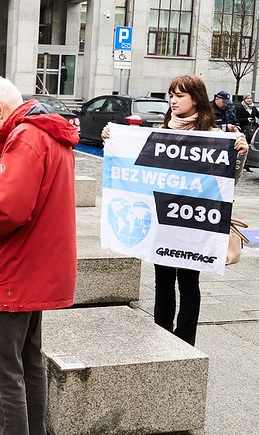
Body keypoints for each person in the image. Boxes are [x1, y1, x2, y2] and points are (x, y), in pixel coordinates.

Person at [0, 73, 78, 435]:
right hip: (34, 267)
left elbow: (8, 210)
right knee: (29, 362)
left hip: (13, 272)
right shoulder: (48, 133)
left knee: (0, 371)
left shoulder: (25, 137)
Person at [103, 75, 248, 345]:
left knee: (189, 282)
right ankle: (162, 335)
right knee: (163, 280)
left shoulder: (213, 136)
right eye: (171, 94)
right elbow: (138, 167)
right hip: (163, 218)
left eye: (180, 95)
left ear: (196, 99)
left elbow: (228, 181)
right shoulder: (162, 131)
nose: (173, 100)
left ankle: (185, 342)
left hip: (193, 221)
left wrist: (239, 153)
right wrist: (113, 140)